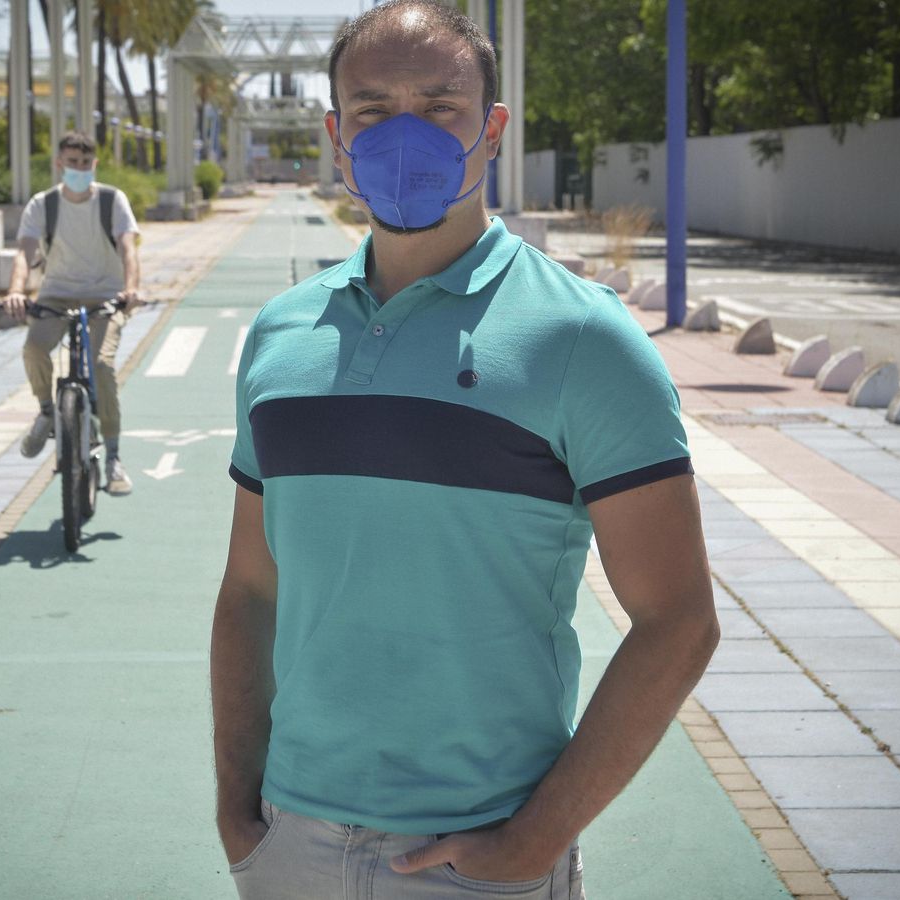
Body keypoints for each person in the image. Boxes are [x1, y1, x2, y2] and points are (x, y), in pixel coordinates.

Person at [209, 2, 719, 898]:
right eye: (372, 110)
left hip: (477, 855)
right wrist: (237, 810)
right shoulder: (280, 335)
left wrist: (535, 841)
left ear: (491, 131)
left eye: (440, 106)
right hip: (289, 845)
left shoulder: (582, 338)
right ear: (336, 135)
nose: (404, 133)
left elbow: (678, 620)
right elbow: (251, 588)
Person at [2, 130, 142, 495]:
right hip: (56, 296)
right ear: (59, 164)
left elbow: (129, 249)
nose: (78, 169)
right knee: (33, 349)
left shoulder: (112, 201)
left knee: (102, 365)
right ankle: (48, 411)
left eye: (85, 163)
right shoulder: (42, 205)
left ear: (93, 165)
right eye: (71, 163)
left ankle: (113, 456)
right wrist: (17, 290)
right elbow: (25, 253)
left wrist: (131, 289)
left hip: (105, 298)